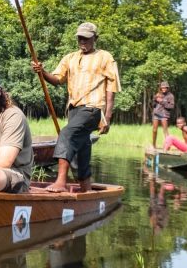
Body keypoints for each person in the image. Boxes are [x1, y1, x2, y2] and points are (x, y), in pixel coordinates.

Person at [31, 22, 121, 193]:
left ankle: (60, 182)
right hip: (74, 110)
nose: (83, 41)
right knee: (80, 150)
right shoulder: (70, 58)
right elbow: (57, 79)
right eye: (80, 38)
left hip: (93, 109)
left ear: (95, 38)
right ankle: (87, 190)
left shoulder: (105, 57)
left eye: (87, 38)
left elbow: (112, 88)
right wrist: (42, 72)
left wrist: (108, 117)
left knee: (66, 134)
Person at [151, 81, 175, 148]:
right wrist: (155, 99)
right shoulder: (158, 94)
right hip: (156, 114)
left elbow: (171, 106)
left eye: (165, 88)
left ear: (167, 88)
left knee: (165, 131)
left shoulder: (170, 96)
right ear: (161, 88)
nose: (163, 89)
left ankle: (168, 147)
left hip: (164, 115)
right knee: (154, 130)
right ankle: (153, 145)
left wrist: (161, 101)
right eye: (162, 88)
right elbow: (153, 105)